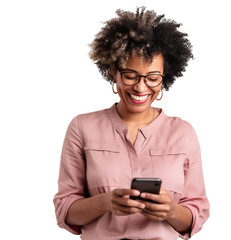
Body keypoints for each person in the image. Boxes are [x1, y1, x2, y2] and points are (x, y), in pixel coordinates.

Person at [53, 7, 209, 240]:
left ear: (164, 78)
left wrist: (171, 211)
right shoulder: (82, 127)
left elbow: (195, 215)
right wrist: (105, 202)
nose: (141, 87)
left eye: (153, 78)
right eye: (130, 75)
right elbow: (66, 211)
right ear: (114, 72)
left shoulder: (183, 133)